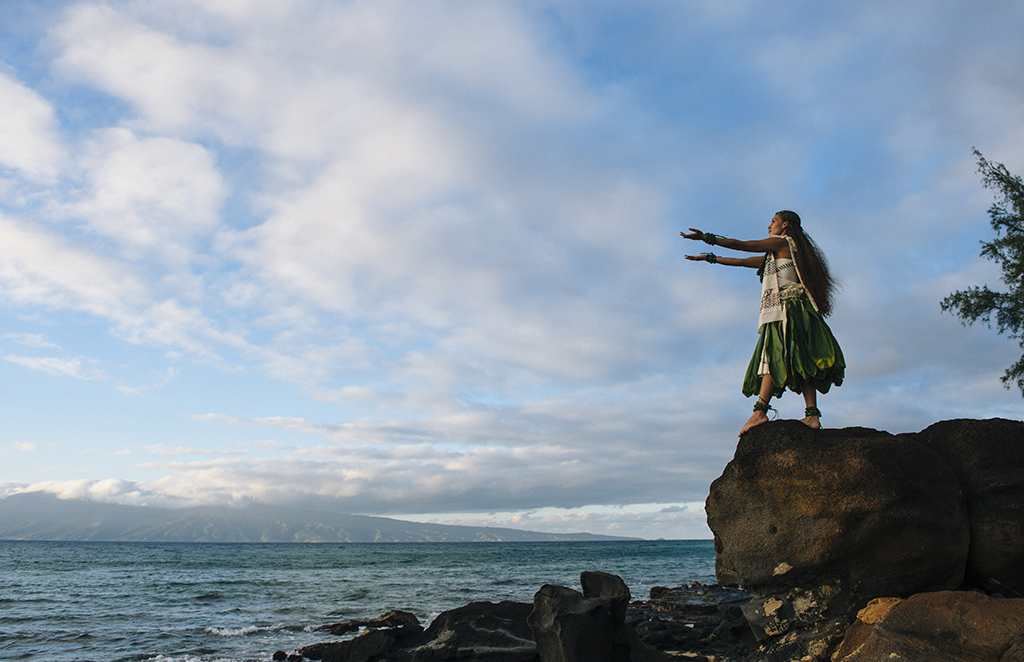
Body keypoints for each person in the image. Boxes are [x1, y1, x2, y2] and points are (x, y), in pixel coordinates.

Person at [681, 211, 845, 436]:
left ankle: (760, 412)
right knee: (803, 359)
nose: (769, 226)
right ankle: (812, 415)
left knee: (772, 354)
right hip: (801, 310)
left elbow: (741, 246)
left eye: (773, 222)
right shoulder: (787, 254)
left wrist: (707, 237)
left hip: (787, 311)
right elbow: (740, 262)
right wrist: (709, 258)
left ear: (785, 225)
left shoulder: (781, 243)